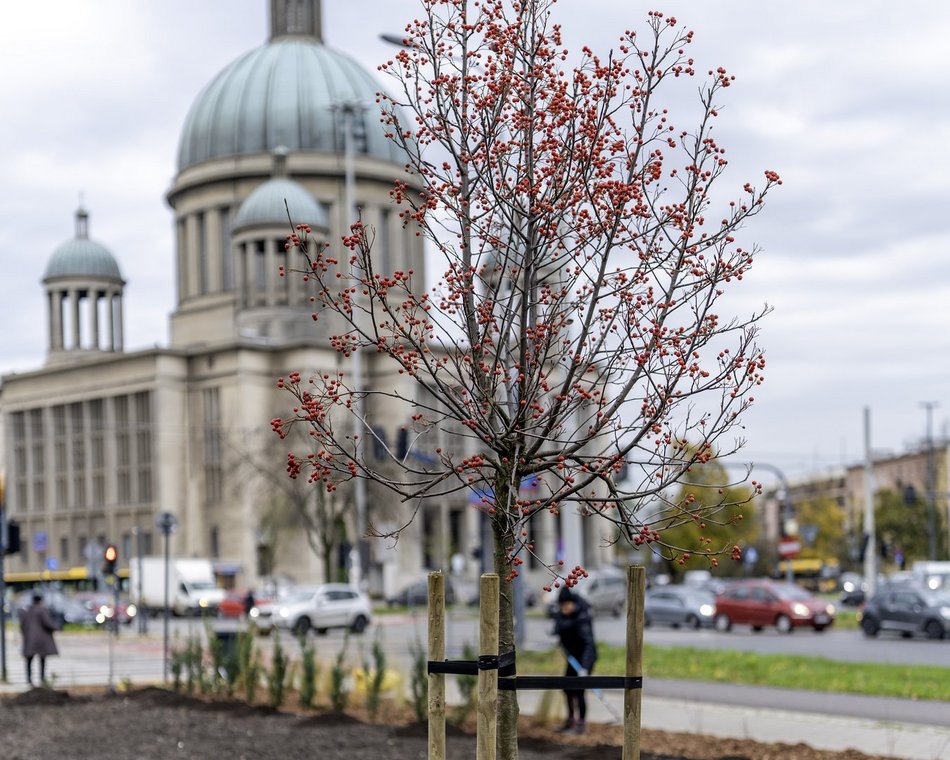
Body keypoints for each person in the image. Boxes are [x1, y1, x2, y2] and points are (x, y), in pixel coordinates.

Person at [552, 585, 597, 735]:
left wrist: (585, 667)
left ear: (573, 603)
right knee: (567, 688)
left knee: (579, 690)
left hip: (585, 658)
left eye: (566, 605)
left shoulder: (582, 618)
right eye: (561, 605)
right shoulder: (562, 616)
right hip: (571, 658)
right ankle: (570, 720)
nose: (564, 608)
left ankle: (581, 724)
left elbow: (588, 645)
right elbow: (559, 631)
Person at [20, 592, 59, 687]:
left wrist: (26, 634)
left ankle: (29, 679)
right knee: (42, 660)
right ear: (40, 601)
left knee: (29, 660)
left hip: (30, 639)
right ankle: (42, 678)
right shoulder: (42, 610)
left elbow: (22, 625)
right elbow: (47, 623)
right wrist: (55, 627)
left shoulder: (27, 611)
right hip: (41, 640)